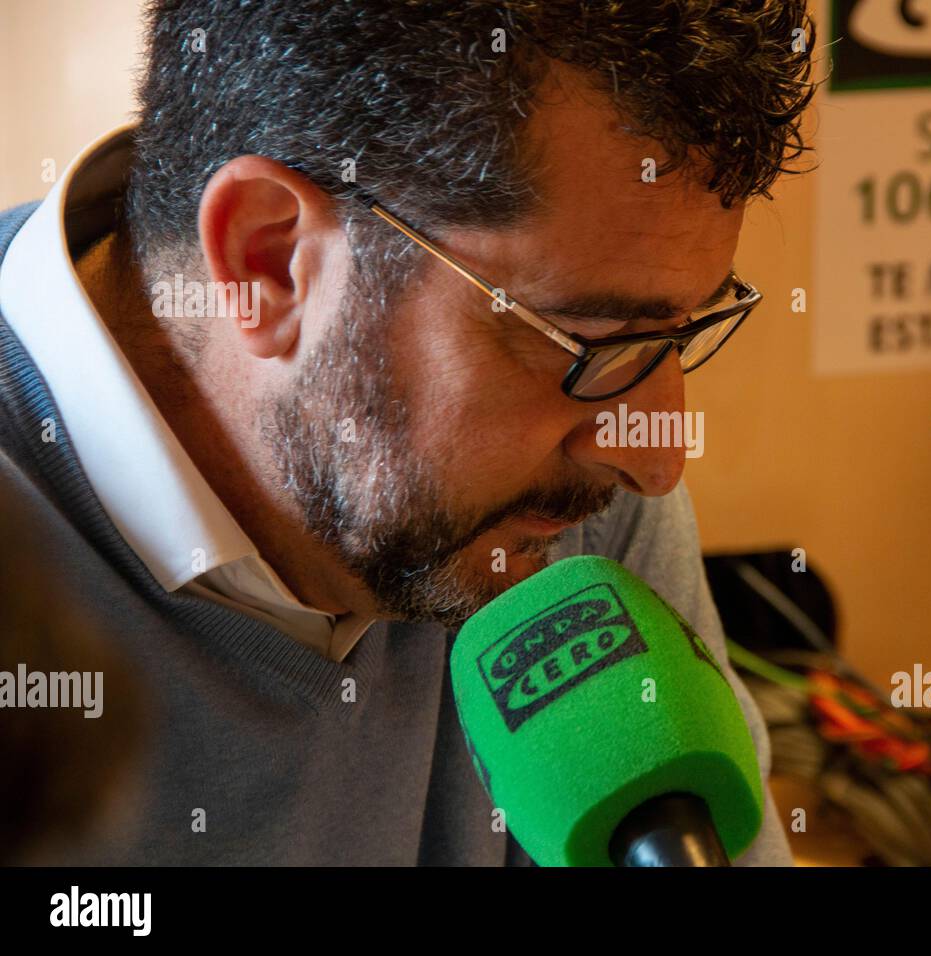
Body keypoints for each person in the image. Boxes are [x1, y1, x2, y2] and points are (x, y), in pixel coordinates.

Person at [0, 0, 816, 864]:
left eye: (676, 337)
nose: (658, 460)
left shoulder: (558, 508)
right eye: (596, 342)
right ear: (267, 262)